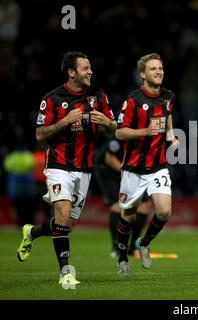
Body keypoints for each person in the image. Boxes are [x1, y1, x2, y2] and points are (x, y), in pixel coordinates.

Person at [16, 51, 117, 286]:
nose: (90, 71)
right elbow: (40, 134)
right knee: (61, 216)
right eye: (85, 68)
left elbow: (115, 128)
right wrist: (65, 121)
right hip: (58, 165)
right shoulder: (52, 98)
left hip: (84, 169)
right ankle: (66, 273)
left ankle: (31, 233)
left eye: (90, 67)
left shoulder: (98, 95)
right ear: (71, 72)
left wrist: (108, 123)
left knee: (66, 226)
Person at [115, 53, 178, 275]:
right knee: (128, 215)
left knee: (163, 212)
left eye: (160, 68)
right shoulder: (133, 100)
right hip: (133, 168)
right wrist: (144, 132)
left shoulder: (168, 96)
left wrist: (170, 135)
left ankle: (144, 242)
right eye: (153, 69)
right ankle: (122, 257)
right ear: (142, 74)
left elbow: (167, 115)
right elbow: (120, 132)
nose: (159, 72)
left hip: (158, 166)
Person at [93, 134, 152, 258]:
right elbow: (109, 158)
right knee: (118, 204)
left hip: (132, 171)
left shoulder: (148, 137)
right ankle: (116, 247)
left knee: (144, 206)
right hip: (108, 171)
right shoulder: (122, 135)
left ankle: (132, 247)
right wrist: (126, 172)